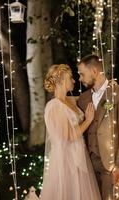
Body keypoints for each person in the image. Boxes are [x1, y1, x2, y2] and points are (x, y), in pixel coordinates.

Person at [40, 64, 101, 200]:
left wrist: (105, 87)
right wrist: (88, 120)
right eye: (70, 78)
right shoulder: (54, 106)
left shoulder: (69, 100)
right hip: (66, 160)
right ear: (61, 81)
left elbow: (89, 96)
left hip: (78, 155)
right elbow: (69, 135)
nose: (74, 81)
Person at [77, 55, 119, 200]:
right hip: (87, 164)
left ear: (94, 72)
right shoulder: (83, 99)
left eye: (82, 74)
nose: (80, 79)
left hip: (111, 164)